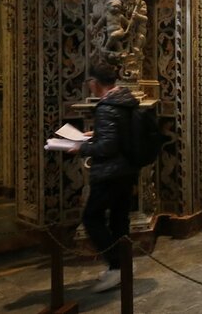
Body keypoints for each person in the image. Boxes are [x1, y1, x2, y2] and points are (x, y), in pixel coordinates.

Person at [68, 63, 139, 294]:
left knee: (92, 218)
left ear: (94, 82)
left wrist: (81, 148)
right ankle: (124, 264)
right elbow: (119, 134)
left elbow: (108, 146)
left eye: (89, 81)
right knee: (119, 219)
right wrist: (96, 134)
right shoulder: (125, 100)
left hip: (109, 173)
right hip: (127, 171)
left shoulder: (106, 106)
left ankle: (116, 265)